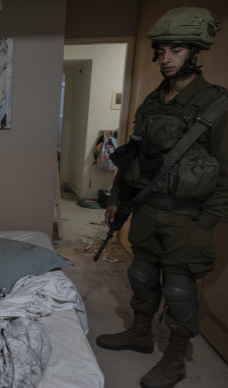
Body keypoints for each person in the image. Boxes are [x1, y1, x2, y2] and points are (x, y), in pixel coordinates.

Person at [95, 7, 228, 388]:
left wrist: (207, 222)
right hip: (148, 209)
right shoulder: (153, 103)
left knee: (179, 289)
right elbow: (132, 157)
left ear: (194, 53)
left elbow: (226, 170)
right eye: (162, 51)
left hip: (189, 217)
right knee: (141, 274)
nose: (166, 59)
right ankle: (140, 333)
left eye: (176, 50)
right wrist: (117, 198)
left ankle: (175, 359)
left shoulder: (217, 104)